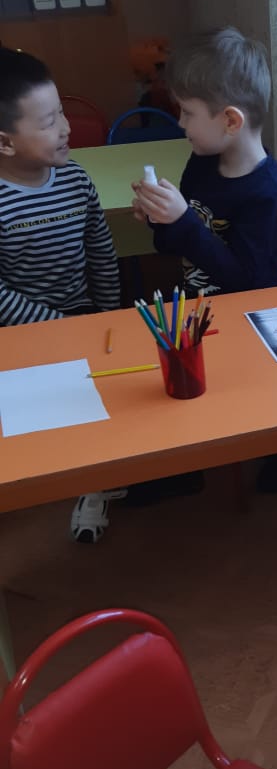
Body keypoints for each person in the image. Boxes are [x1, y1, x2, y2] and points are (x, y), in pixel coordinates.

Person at [130, 25, 277, 496]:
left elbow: (248, 283)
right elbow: (177, 246)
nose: (180, 124)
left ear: (230, 120)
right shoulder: (202, 163)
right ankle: (187, 468)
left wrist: (184, 222)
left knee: (254, 398)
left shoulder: (269, 195)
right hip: (198, 309)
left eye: (187, 113)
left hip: (248, 322)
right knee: (176, 384)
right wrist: (161, 219)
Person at [0, 47, 123, 543]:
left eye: (63, 113)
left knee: (93, 411)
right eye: (50, 121)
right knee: (31, 423)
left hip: (81, 315)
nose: (67, 128)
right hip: (17, 332)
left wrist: (109, 316)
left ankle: (95, 485)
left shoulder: (74, 178)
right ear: (5, 142)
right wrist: (52, 325)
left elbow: (101, 250)